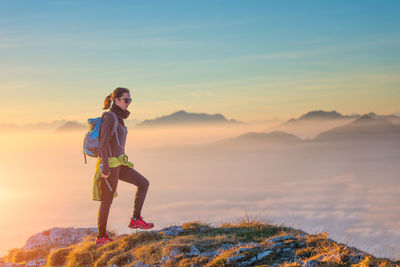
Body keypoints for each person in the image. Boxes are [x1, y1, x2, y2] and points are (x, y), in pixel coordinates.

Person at [96, 87, 154, 246]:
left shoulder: (118, 118)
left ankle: (136, 220)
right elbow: (103, 143)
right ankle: (101, 237)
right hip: (111, 165)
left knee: (143, 183)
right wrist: (106, 167)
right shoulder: (110, 117)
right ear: (116, 100)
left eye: (130, 100)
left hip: (120, 163)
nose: (128, 103)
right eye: (126, 100)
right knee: (107, 201)